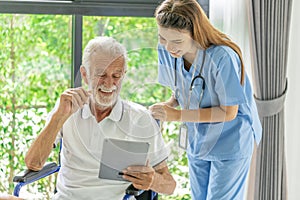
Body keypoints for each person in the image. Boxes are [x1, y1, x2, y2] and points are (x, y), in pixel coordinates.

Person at [24, 36, 176, 200]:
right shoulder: (67, 108)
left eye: (116, 76)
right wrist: (58, 117)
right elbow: (33, 163)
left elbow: (170, 185)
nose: (109, 84)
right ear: (85, 74)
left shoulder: (140, 118)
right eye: (101, 74)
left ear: (124, 74)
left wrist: (153, 180)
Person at [149, 0, 262, 199]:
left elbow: (229, 111)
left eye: (177, 41)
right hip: (198, 139)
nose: (168, 48)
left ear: (195, 33)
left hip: (231, 140)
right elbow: (183, 88)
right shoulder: (167, 51)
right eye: (162, 38)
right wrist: (168, 106)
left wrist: (177, 115)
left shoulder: (222, 57)